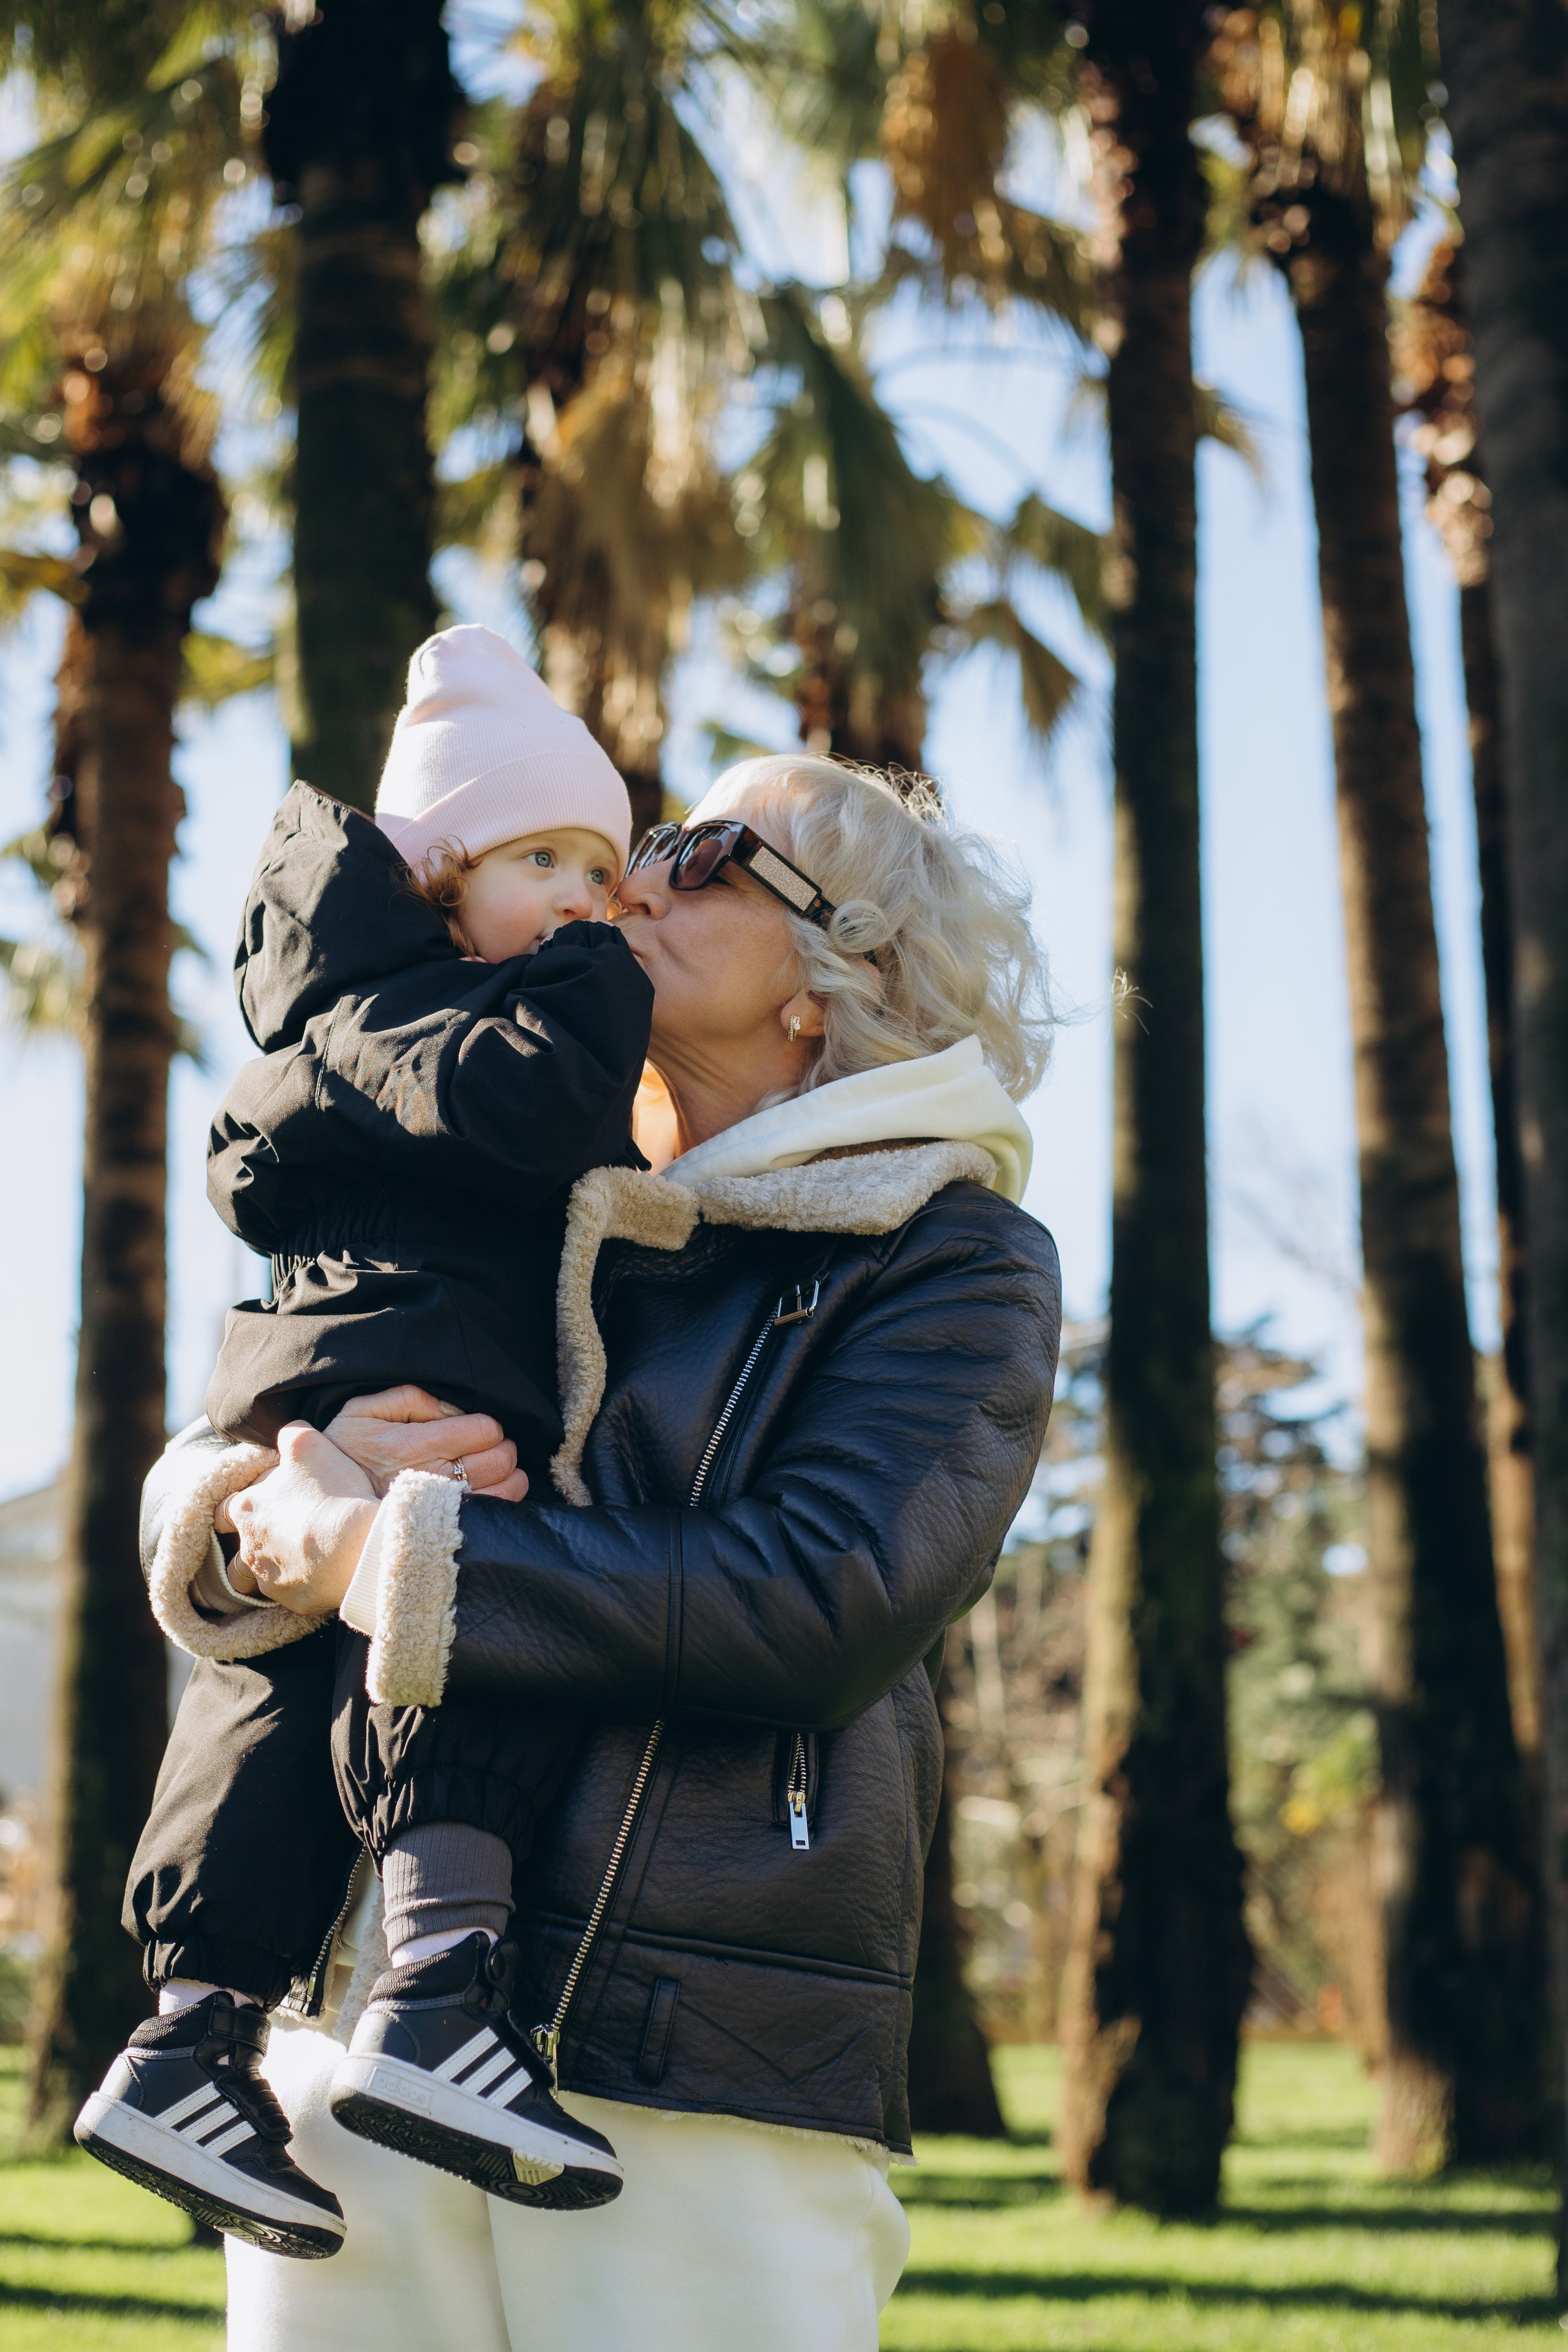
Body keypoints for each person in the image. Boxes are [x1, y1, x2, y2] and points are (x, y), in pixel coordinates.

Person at [134, 753, 1062, 2352]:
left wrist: (381, 1551)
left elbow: (821, 1596)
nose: (626, 879)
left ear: (843, 973)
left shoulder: (950, 1256)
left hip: (689, 2061)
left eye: (703, 854)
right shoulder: (515, 1168)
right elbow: (280, 1393)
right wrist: (240, 1511)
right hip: (350, 2010)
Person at [76, 625, 662, 2250]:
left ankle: (190, 2037)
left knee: (282, 1677)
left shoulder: (346, 1020)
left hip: (327, 1363)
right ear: (436, 878)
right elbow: (539, 1106)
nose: (582, 905)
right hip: (423, 1360)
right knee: (458, 1612)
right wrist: (603, 970)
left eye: (601, 875)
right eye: (543, 860)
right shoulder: (448, 1017)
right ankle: (433, 1998)